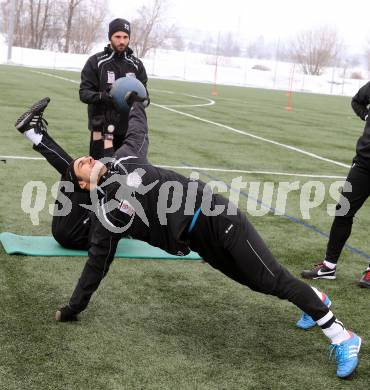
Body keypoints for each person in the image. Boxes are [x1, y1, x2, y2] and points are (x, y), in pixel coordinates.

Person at [15, 98, 361, 379]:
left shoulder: (124, 157)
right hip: (201, 242)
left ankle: (342, 336)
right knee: (260, 283)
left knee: (273, 279)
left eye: (86, 156)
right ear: (83, 186)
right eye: (81, 165)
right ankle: (316, 297)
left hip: (218, 217)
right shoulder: (109, 220)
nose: (88, 158)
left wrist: (136, 101)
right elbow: (95, 267)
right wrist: (73, 309)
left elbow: (138, 130)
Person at [302, 84, 370, 288]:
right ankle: (329, 267)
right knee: (343, 212)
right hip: (364, 163)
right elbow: (357, 100)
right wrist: (366, 116)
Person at [79, 17, 149, 154]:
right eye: (117, 36)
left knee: (125, 172)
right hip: (101, 128)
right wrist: (103, 96)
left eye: (125, 37)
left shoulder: (137, 65)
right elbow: (84, 93)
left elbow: (146, 98)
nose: (122, 41)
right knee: (99, 171)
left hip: (128, 130)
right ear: (110, 36)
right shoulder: (96, 62)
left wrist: (140, 100)